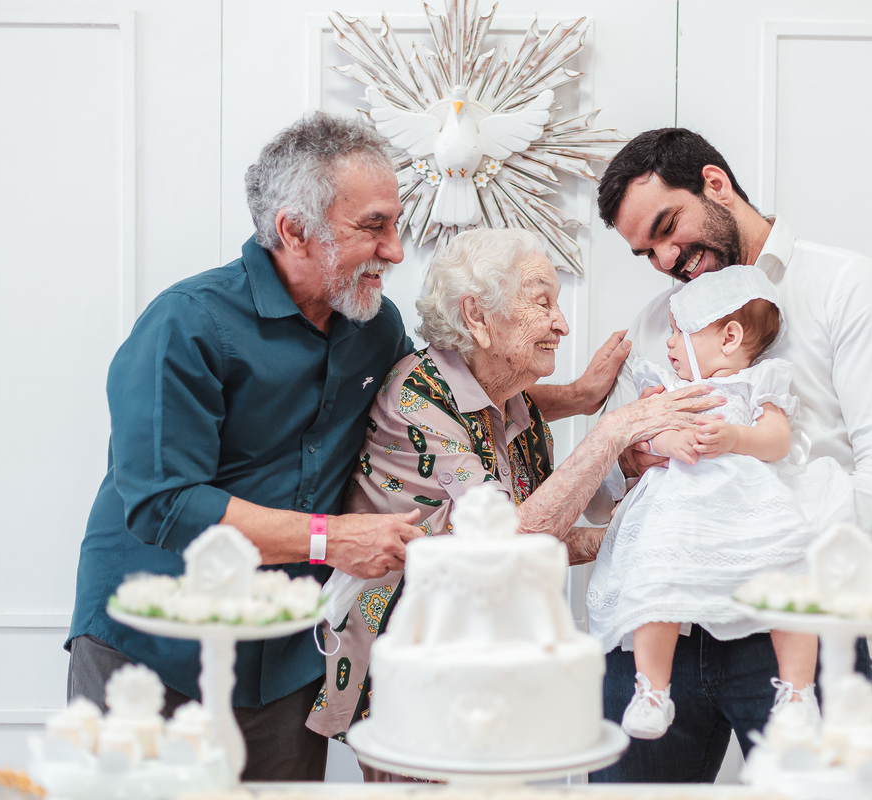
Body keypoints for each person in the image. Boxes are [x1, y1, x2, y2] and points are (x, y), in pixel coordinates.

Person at [64, 113, 626, 782]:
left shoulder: (373, 326)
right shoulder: (186, 324)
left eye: (394, 225)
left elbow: (442, 398)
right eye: (373, 227)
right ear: (293, 230)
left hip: (284, 656)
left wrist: (579, 398)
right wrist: (332, 540)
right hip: (153, 645)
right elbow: (165, 505)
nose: (396, 250)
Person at [305, 228, 723, 766]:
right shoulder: (417, 397)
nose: (562, 324)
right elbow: (510, 541)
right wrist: (612, 430)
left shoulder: (511, 401)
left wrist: (641, 518)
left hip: (492, 655)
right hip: (417, 662)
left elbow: (544, 527)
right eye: (542, 301)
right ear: (477, 316)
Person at [587, 128, 872, 782]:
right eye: (646, 252)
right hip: (664, 633)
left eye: (668, 227)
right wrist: (632, 460)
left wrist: (777, 564)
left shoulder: (846, 287)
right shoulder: (659, 324)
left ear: (716, 184)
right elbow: (609, 479)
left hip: (787, 629)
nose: (665, 259)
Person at [587, 265, 853, 741]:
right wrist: (667, 442)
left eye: (678, 331)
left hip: (748, 504)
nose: (668, 343)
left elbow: (776, 441)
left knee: (790, 582)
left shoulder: (760, 383)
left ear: (729, 337)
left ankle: (797, 693)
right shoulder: (668, 386)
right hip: (679, 509)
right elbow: (645, 433)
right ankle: (652, 689)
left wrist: (735, 435)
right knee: (657, 582)